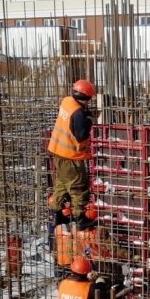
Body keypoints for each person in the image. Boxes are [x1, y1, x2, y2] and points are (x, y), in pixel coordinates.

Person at [47, 79, 98, 231]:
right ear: (87, 98)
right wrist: (88, 121)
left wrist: (84, 114)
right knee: (78, 187)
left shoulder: (67, 101)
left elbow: (72, 118)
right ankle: (80, 218)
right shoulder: (79, 114)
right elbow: (81, 135)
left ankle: (58, 213)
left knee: (62, 184)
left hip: (57, 152)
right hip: (71, 156)